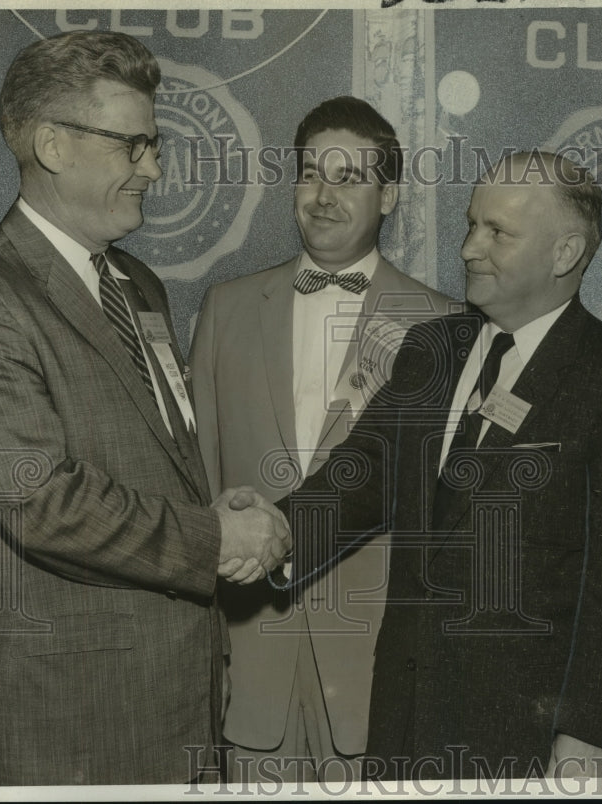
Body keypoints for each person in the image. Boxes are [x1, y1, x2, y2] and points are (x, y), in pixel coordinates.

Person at [222, 150, 602, 780]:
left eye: (497, 232)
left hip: (526, 734)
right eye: (471, 225)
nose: (469, 249)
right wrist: (274, 530)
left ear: (565, 252)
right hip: (403, 717)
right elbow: (361, 476)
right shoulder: (434, 347)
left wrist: (590, 736)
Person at [0, 30, 288, 786]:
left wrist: (209, 506)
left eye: (152, 145)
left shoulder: (137, 286)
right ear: (54, 144)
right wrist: (211, 535)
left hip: (177, 701)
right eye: (134, 146)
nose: (153, 169)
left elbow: (148, 454)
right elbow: (42, 501)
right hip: (70, 719)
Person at [191, 96, 451, 782]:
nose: (324, 195)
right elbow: (200, 482)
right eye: (311, 174)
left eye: (349, 177)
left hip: (376, 674)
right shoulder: (225, 309)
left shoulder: (445, 325)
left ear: (389, 194)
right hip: (249, 667)